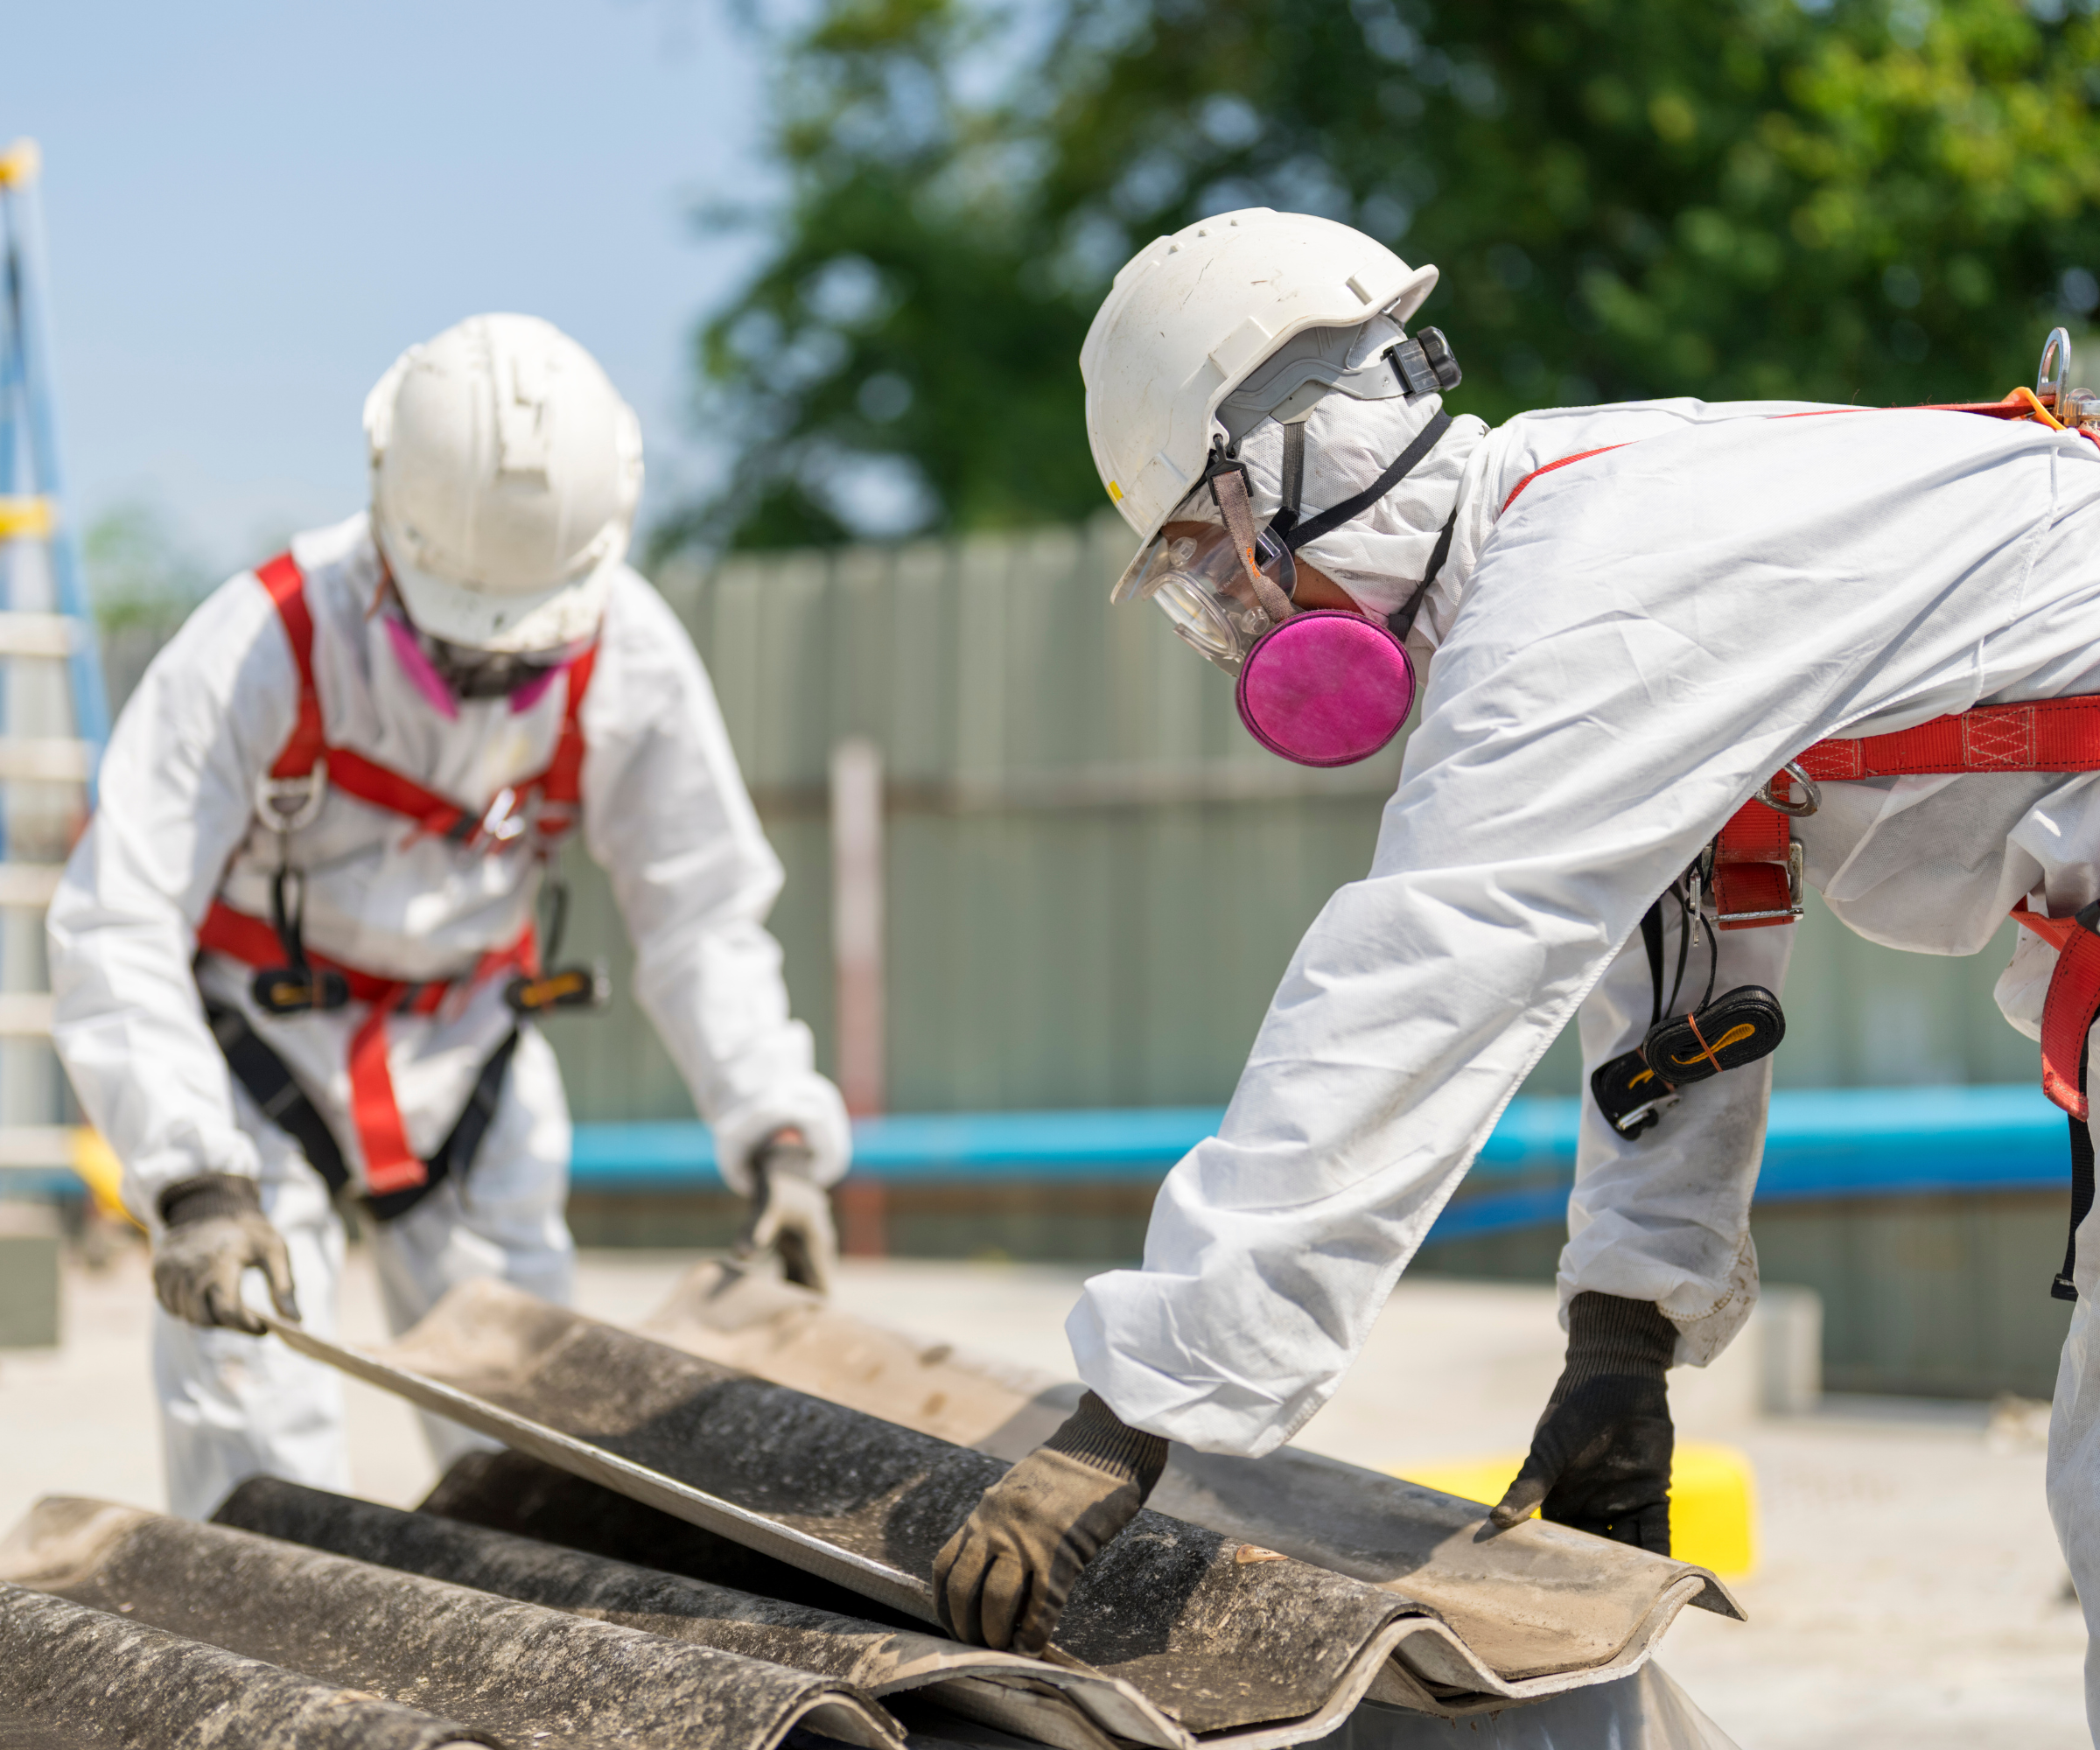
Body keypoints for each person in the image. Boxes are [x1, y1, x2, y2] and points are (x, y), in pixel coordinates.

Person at [931, 206, 2100, 1729]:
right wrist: (1627, 1336)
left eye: (1215, 560)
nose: (1242, 618)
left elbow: (1418, 984)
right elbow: (1687, 978)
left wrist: (1133, 1422)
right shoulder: (1573, 534)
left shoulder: (1584, 592)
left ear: (1293, 459)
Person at [49, 313, 848, 1519]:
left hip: (470, 1066)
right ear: (383, 520)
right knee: (257, 1438)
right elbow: (120, 916)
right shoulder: (265, 643)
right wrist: (192, 1180)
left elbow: (701, 916)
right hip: (254, 1069)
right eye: (461, 648)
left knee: (531, 1444)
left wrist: (780, 1136)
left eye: (525, 653)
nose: (491, 681)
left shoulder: (629, 659)